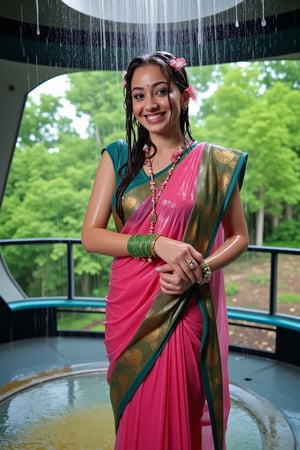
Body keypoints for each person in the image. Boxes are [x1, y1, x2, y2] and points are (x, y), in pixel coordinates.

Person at [81, 51, 249, 450]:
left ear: (184, 94)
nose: (150, 104)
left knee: (177, 413)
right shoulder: (118, 158)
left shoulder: (214, 163)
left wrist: (200, 269)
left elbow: (239, 236)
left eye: (161, 91)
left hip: (183, 304)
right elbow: (91, 236)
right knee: (137, 408)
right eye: (138, 96)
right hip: (129, 307)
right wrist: (155, 243)